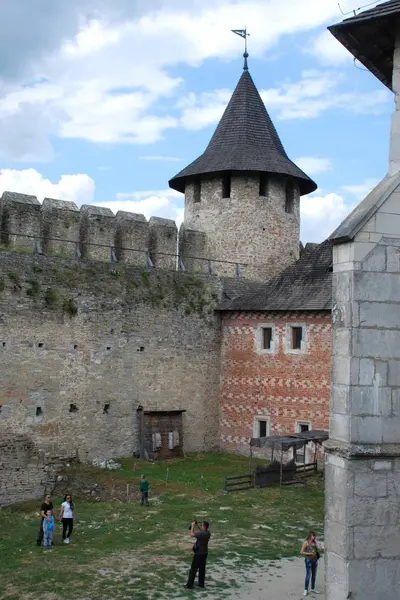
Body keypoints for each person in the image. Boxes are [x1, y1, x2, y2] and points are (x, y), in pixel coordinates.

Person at [185, 521, 211, 589]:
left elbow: (192, 534)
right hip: (204, 553)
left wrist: (192, 526)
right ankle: (201, 584)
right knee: (202, 569)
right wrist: (197, 526)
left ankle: (189, 585)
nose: (201, 526)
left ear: (204, 526)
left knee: (193, 569)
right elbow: (201, 531)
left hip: (198, 554)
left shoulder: (201, 534)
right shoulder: (208, 533)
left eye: (202, 525)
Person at [300, 531, 321, 596]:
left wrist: (319, 549)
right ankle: (305, 590)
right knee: (308, 575)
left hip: (315, 561)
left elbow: (316, 550)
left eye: (315, 536)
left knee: (314, 575)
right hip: (308, 560)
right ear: (310, 536)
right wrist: (310, 553)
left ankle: (313, 588)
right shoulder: (306, 543)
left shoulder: (314, 542)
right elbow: (301, 552)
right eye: (313, 536)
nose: (314, 537)